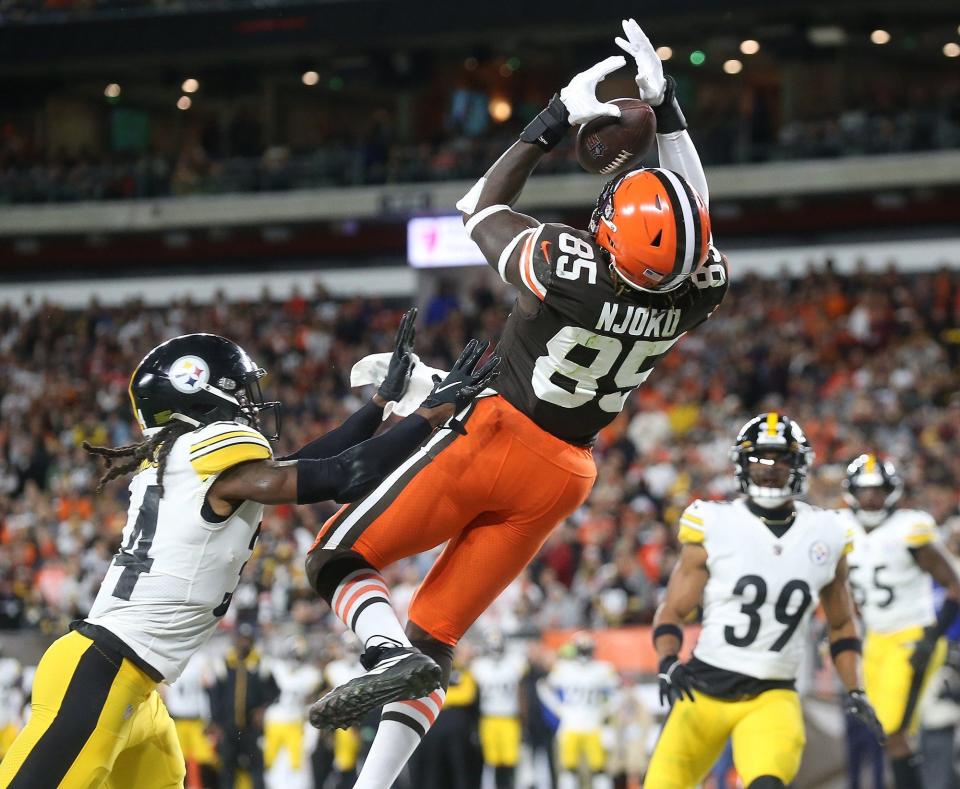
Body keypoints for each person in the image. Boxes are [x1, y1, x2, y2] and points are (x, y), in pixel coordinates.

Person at [305, 19, 728, 788]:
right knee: (437, 636)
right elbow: (691, 211)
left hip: (497, 432)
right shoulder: (697, 293)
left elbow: (476, 205)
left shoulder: (575, 265)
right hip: (566, 473)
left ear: (606, 235)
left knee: (337, 557)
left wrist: (552, 118)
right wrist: (666, 112)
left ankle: (382, 652)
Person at [0, 313, 497, 789]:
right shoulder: (209, 454)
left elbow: (309, 462)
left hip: (133, 685)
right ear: (203, 394)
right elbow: (341, 477)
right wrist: (430, 415)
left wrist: (382, 404)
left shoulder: (188, 460)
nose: (251, 402)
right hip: (100, 676)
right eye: (241, 389)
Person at [644, 412, 884, 789]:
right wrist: (668, 660)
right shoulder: (713, 522)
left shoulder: (828, 532)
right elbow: (673, 609)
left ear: (799, 465)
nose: (770, 468)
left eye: (782, 458)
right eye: (760, 457)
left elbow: (841, 623)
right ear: (742, 463)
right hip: (702, 691)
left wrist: (855, 688)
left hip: (771, 694)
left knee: (767, 784)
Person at [842, 454, 960, 789]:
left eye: (877, 489)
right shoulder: (840, 527)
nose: (870, 498)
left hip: (910, 634)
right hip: (874, 638)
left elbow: (954, 585)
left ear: (891, 490)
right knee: (884, 731)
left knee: (894, 729)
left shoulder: (910, 528)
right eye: (863, 490)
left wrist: (931, 637)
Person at [539, 633, 618, 789]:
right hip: (571, 724)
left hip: (592, 724)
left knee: (599, 770)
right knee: (568, 771)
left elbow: (618, 691)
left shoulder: (602, 669)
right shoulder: (564, 668)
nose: (584, 654)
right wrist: (559, 709)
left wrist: (606, 710)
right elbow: (544, 687)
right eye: (582, 650)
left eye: (586, 650)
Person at [207, 624, 280, 789]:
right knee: (227, 770)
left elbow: (275, 692)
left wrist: (263, 709)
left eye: (248, 639)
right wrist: (216, 721)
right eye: (241, 639)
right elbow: (214, 695)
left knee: (257, 770)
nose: (244, 643)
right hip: (228, 727)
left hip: (251, 728)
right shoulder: (224, 663)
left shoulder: (261, 663)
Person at [264, 636, 323, 789]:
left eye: (299, 654)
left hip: (296, 721)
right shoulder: (276, 667)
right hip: (275, 720)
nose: (296, 658)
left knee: (298, 763)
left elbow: (291, 685)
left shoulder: (309, 673)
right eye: (294, 653)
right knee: (272, 763)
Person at [470, 632, 527, 789]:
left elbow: (521, 691)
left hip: (509, 718)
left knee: (510, 761)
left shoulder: (514, 663)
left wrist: (523, 719)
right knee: (490, 762)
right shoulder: (478, 666)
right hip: (488, 718)